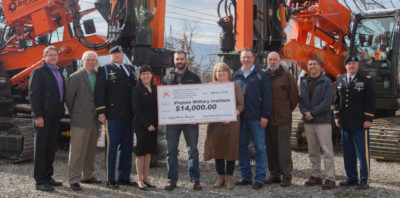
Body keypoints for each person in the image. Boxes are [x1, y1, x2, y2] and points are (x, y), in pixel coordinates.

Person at [94, 45, 137, 189]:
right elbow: (99, 92)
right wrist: (101, 112)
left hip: (128, 115)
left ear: (123, 54)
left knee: (127, 147)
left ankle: (124, 176)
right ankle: (110, 178)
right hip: (112, 115)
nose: (118, 55)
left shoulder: (130, 69)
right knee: (111, 148)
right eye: (114, 54)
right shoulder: (105, 69)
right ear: (109, 56)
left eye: (120, 53)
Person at [161, 51, 202, 191]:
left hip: (190, 121)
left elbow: (199, 98)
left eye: (182, 58)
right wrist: (162, 118)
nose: (179, 61)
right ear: (174, 61)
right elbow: (162, 101)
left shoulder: (195, 78)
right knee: (171, 151)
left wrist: (196, 116)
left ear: (186, 60)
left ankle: (195, 179)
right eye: (177, 59)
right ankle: (171, 180)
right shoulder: (166, 78)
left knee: (193, 150)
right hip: (172, 121)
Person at [233, 48, 272, 190]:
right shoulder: (236, 75)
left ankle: (260, 178)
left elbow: (267, 97)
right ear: (240, 59)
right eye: (244, 57)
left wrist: (265, 116)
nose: (246, 59)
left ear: (253, 58)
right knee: (242, 148)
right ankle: (246, 177)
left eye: (249, 57)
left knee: (260, 148)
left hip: (256, 118)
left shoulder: (261, 75)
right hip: (240, 119)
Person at [334, 56, 375, 189]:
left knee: (362, 153)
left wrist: (368, 118)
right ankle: (351, 177)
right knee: (348, 152)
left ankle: (364, 180)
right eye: (349, 64)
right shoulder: (340, 79)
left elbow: (370, 101)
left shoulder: (365, 80)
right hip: (345, 122)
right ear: (345, 66)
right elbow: (337, 100)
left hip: (359, 123)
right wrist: (336, 115)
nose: (351, 66)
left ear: (358, 65)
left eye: (354, 63)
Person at [29, 45, 65, 192]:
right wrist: (38, 115)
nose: (53, 57)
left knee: (50, 147)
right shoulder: (38, 72)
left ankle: (48, 176)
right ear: (44, 57)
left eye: (55, 55)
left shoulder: (59, 72)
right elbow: (34, 95)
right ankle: (40, 180)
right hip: (43, 117)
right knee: (41, 148)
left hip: (55, 115)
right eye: (49, 55)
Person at [204, 63, 244, 190]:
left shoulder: (235, 86)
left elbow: (240, 105)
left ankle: (229, 178)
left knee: (230, 149)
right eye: (218, 71)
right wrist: (204, 117)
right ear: (215, 74)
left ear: (228, 73)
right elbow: (203, 104)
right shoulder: (210, 87)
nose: (220, 73)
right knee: (218, 149)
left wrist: (233, 114)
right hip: (215, 125)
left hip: (231, 124)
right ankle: (220, 177)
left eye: (223, 71)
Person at [65, 51, 102, 191]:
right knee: (77, 150)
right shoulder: (75, 77)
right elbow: (69, 99)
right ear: (82, 60)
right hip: (80, 118)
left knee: (90, 149)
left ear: (96, 61)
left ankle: (87, 175)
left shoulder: (99, 76)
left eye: (93, 60)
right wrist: (76, 112)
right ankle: (74, 179)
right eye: (88, 60)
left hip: (94, 118)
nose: (91, 62)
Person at [299, 57, 336, 190]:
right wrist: (305, 112)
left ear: (320, 67)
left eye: (315, 64)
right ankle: (316, 175)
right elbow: (301, 100)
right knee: (312, 150)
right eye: (310, 64)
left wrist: (312, 113)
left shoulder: (326, 82)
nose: (312, 66)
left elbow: (327, 102)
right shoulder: (304, 82)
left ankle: (330, 178)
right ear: (307, 67)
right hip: (308, 121)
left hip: (322, 121)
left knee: (327, 150)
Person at [264, 51, 298, 187]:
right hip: (268, 119)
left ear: (279, 61)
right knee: (271, 148)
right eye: (270, 59)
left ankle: (287, 175)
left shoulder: (286, 76)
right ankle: (274, 174)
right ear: (267, 61)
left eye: (275, 59)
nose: (272, 62)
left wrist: (285, 110)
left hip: (283, 119)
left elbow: (294, 96)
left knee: (283, 149)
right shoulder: (264, 76)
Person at [131, 65, 158, 191]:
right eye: (143, 74)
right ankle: (140, 179)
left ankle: (146, 177)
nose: (146, 76)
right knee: (141, 152)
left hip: (154, 125)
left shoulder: (155, 88)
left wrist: (159, 122)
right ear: (140, 76)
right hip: (142, 125)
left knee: (149, 152)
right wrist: (147, 125)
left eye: (148, 73)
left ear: (151, 75)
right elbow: (137, 110)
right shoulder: (137, 90)